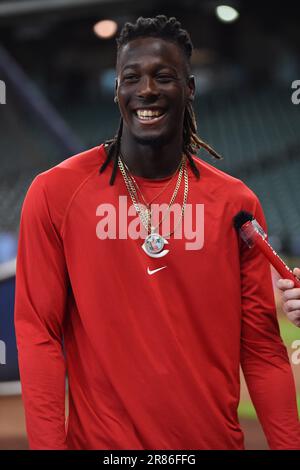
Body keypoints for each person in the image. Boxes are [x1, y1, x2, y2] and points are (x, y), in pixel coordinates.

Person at [14, 15, 300, 450]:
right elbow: (38, 334)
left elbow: (261, 350)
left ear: (189, 89)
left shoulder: (235, 204)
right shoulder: (55, 193)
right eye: (132, 77)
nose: (146, 90)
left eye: (163, 77)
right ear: (117, 90)